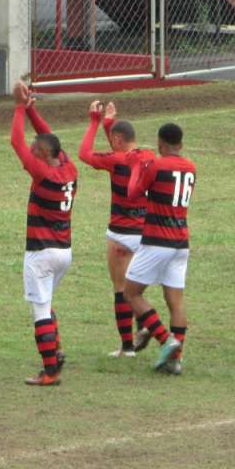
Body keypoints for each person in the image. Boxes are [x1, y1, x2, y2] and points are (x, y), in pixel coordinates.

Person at [10, 81, 78, 386]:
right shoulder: (67, 168)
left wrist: (17, 107)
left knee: (39, 308)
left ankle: (50, 371)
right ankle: (57, 352)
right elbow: (50, 139)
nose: (31, 150)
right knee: (47, 302)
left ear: (42, 154)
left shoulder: (42, 173)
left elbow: (16, 142)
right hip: (64, 251)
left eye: (36, 149)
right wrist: (31, 109)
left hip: (40, 252)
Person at [78, 100, 156, 358]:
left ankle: (127, 347)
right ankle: (143, 326)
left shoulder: (114, 160)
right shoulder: (149, 157)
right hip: (146, 233)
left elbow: (84, 154)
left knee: (121, 289)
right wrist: (109, 124)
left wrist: (93, 122)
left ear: (118, 139)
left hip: (121, 232)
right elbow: (120, 149)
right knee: (137, 290)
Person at [123, 122, 195, 375]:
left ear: (160, 143)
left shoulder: (156, 164)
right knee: (175, 302)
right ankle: (176, 359)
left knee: (131, 293)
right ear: (181, 144)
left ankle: (166, 341)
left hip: (156, 240)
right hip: (181, 242)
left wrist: (135, 167)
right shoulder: (191, 167)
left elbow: (133, 193)